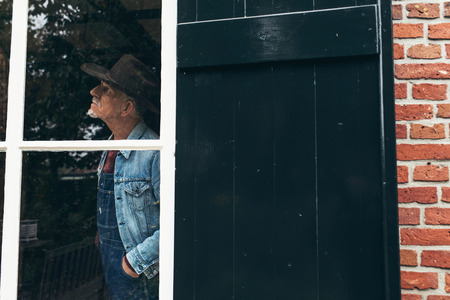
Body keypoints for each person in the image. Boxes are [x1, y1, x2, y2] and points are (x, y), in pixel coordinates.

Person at [81, 54, 160, 299]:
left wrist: (131, 264)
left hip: (138, 270)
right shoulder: (108, 146)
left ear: (126, 108)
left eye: (106, 89)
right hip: (108, 260)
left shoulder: (154, 151)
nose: (94, 91)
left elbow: (177, 222)